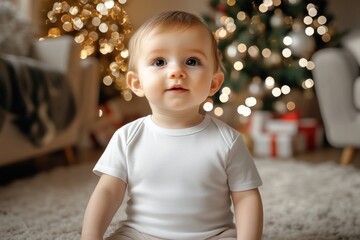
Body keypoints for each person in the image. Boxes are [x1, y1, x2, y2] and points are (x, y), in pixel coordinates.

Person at [81, 10, 263, 240]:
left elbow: (246, 197)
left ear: (213, 83)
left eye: (192, 61)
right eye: (159, 62)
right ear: (136, 83)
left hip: (212, 235)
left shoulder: (227, 140)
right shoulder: (127, 137)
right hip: (139, 234)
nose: (176, 72)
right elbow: (108, 192)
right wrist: (90, 236)